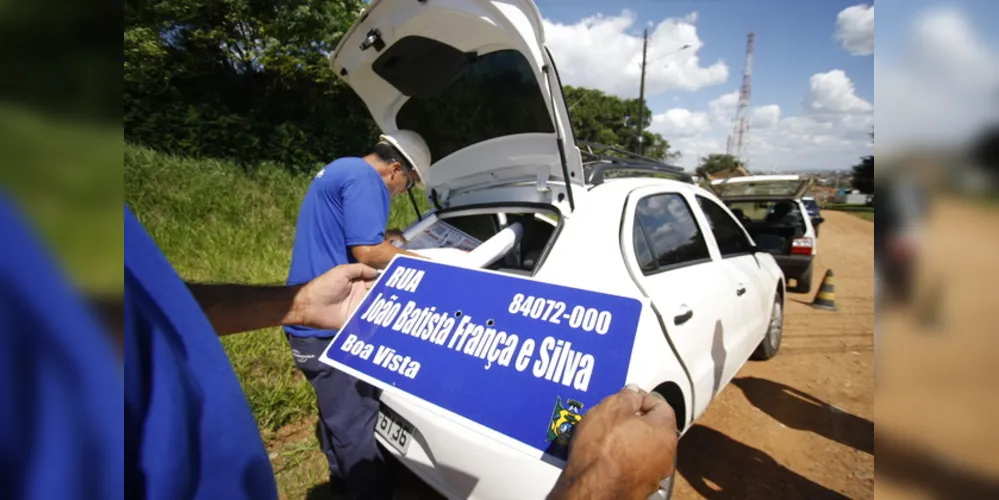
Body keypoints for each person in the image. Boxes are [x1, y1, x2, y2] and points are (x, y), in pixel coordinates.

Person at [283, 131, 432, 499]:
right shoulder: (366, 179)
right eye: (408, 184)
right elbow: (367, 251)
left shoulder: (343, 169)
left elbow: (345, 236)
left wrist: (389, 236)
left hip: (305, 316)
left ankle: (341, 488)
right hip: (326, 325)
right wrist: (430, 265)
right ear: (395, 168)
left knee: (337, 419)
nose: (401, 192)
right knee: (355, 427)